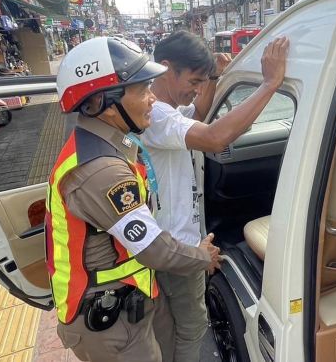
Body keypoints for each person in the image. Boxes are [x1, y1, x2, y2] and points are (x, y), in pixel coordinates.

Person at [47, 36, 222, 362]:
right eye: (142, 91)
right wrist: (201, 255)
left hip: (133, 298)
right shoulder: (101, 171)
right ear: (104, 103)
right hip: (109, 322)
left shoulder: (105, 145)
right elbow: (154, 249)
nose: (152, 99)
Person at [140, 30, 289, 362]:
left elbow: (198, 113)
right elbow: (215, 137)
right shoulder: (159, 115)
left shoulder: (160, 107)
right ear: (166, 68)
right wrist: (269, 84)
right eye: (193, 80)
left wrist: (213, 78)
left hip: (171, 240)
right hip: (177, 245)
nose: (197, 88)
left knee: (170, 325)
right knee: (191, 328)